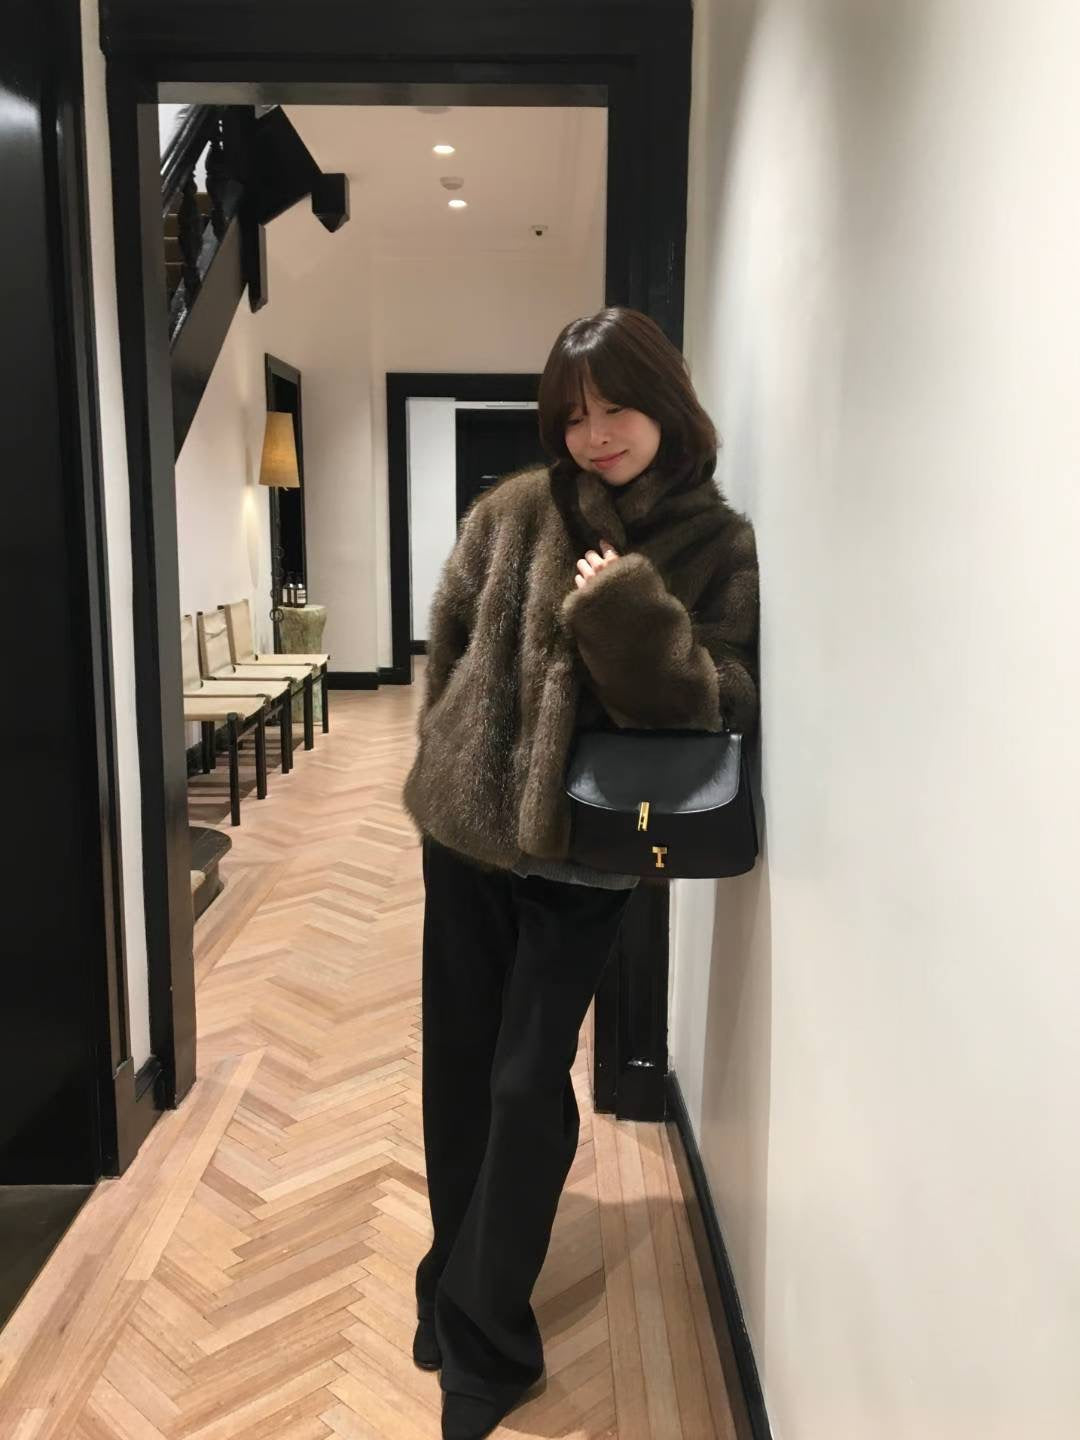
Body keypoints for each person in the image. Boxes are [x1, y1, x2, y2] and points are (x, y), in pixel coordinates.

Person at [401, 305, 760, 1440]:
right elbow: (452, 639)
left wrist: (625, 614)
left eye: (616, 409)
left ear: (667, 405)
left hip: (587, 857)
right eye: (573, 416)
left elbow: (720, 705)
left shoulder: (715, 542)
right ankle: (454, 1277)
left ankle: (485, 1343)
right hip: (467, 835)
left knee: (523, 1082)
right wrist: (447, 753)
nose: (595, 436)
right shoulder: (514, 510)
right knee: (461, 1072)